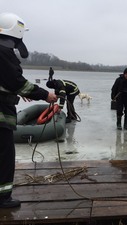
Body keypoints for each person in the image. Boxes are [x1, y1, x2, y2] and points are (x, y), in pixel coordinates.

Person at [0, 12, 57, 208]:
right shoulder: (3, 52)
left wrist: (18, 92)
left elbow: (7, 82)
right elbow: (17, 82)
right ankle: (3, 198)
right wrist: (45, 95)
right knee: (5, 157)